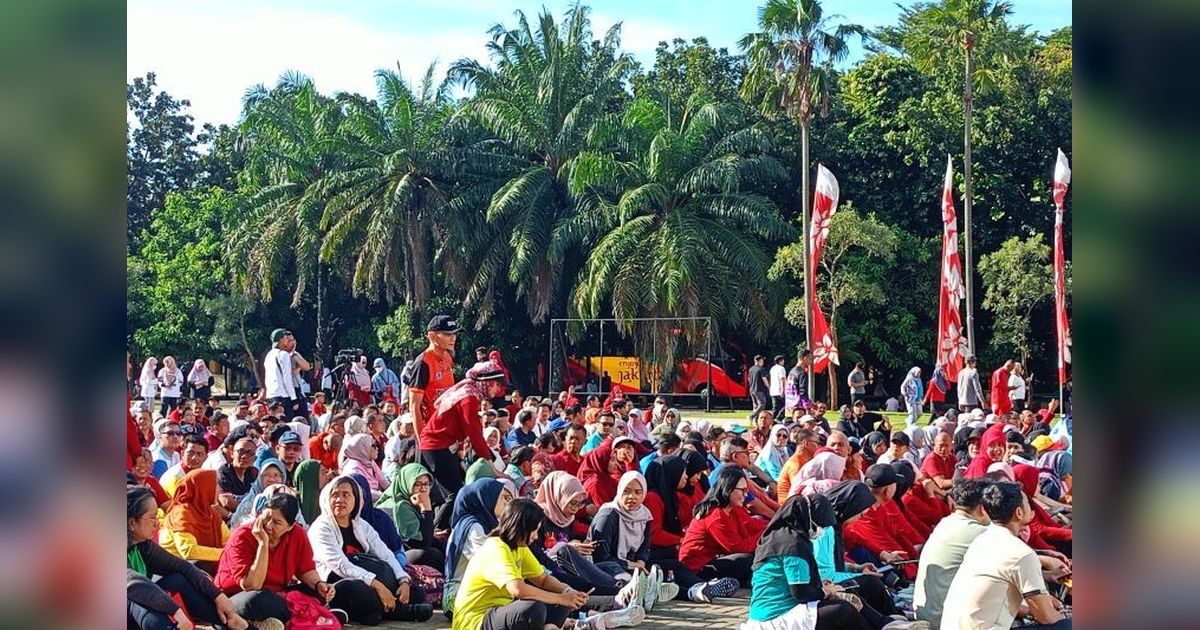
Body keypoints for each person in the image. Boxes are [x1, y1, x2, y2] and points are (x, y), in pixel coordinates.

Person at [453, 498, 643, 630]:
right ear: (520, 527)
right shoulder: (496, 547)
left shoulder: (519, 546)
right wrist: (561, 598)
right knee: (532, 608)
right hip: (475, 622)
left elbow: (543, 579)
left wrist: (567, 592)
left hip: (499, 611)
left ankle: (554, 626)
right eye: (534, 530)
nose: (536, 536)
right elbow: (518, 590)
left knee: (560, 597)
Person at [940, 482, 1070, 629]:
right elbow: (1046, 617)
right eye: (1027, 503)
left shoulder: (982, 540)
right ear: (1019, 512)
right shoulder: (1022, 554)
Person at [307, 474, 433, 624]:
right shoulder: (321, 527)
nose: (340, 500)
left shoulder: (360, 525)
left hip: (366, 578)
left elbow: (385, 554)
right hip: (337, 582)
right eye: (335, 495)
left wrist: (403, 580)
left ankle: (372, 612)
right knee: (353, 590)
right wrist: (378, 586)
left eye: (346, 494)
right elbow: (340, 565)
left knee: (416, 592)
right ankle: (399, 611)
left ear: (356, 500)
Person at [128, 486, 249, 630]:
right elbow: (133, 584)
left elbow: (181, 566)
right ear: (131, 523)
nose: (158, 522)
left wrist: (218, 596)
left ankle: (231, 622)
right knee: (143, 603)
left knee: (179, 578)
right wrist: (175, 610)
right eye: (153, 517)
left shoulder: (141, 544)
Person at [744, 493, 868, 630]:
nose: (821, 531)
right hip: (775, 617)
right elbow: (800, 593)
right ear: (808, 519)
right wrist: (826, 592)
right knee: (841, 610)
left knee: (848, 597)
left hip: (780, 611)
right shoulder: (792, 546)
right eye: (820, 525)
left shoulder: (781, 536)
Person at [214, 493, 337, 625]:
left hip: (277, 595)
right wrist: (263, 544)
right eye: (266, 518)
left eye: (277, 522)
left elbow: (305, 569)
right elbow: (252, 585)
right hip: (237, 596)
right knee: (259, 599)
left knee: (321, 592)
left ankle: (295, 618)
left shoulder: (297, 534)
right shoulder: (243, 535)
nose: (269, 526)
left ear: (290, 526)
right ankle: (312, 617)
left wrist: (318, 584)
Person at [419, 360, 509, 531]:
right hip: (435, 446)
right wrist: (490, 464)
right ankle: (437, 531)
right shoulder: (468, 398)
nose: (498, 390)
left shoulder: (467, 393)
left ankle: (441, 529)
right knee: (455, 494)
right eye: (497, 384)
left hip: (436, 446)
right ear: (486, 382)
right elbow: (474, 433)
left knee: (446, 494)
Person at [814, 480, 903, 627]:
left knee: (868, 581)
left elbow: (830, 562)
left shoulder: (835, 527)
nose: (859, 517)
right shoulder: (825, 530)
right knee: (857, 584)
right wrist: (858, 574)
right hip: (821, 586)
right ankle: (885, 623)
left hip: (826, 581)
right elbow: (825, 574)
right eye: (860, 514)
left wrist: (857, 568)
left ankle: (892, 618)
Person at [912, 479, 992, 627]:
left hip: (929, 614)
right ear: (982, 508)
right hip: (946, 620)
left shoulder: (946, 523)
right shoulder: (978, 532)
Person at [678, 466, 766, 589]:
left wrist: (773, 527)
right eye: (743, 491)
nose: (745, 495)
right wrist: (765, 535)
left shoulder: (733, 508)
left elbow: (751, 525)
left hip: (715, 558)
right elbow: (736, 547)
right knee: (746, 560)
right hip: (698, 567)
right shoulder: (715, 515)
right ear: (729, 490)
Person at [442, 479, 514, 616]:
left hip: (479, 593)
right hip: (459, 600)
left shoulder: (486, 523)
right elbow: (489, 563)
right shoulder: (473, 527)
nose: (506, 503)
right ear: (487, 499)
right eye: (502, 498)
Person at [159, 469, 231, 574]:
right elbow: (188, 551)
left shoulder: (209, 512)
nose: (219, 489)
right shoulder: (181, 513)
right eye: (215, 484)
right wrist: (225, 554)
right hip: (177, 570)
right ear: (203, 488)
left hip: (200, 567)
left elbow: (227, 540)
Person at [378, 462, 446, 570]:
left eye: (426, 484)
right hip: (393, 556)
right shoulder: (401, 506)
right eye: (417, 484)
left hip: (408, 547)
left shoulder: (412, 501)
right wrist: (426, 508)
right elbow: (421, 543)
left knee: (442, 542)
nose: (423, 489)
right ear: (407, 483)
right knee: (432, 554)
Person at [408, 315, 461, 441]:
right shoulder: (423, 363)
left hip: (448, 429)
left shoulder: (448, 358)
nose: (453, 338)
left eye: (454, 334)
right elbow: (414, 407)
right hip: (431, 433)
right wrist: (423, 441)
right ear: (432, 336)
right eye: (447, 334)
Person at [578, 435, 640, 507]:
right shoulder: (596, 484)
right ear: (602, 460)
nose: (616, 463)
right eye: (612, 460)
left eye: (630, 447)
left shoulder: (605, 477)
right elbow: (606, 509)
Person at [263, 329, 303, 420]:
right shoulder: (283, 354)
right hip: (283, 396)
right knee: (285, 423)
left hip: (271, 395)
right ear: (281, 340)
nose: (288, 339)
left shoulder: (269, 355)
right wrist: (294, 398)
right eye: (285, 337)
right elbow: (287, 378)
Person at [776, 429, 821, 502]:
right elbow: (799, 490)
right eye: (817, 443)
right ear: (807, 443)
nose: (819, 446)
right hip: (789, 508)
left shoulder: (804, 462)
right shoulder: (796, 464)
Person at [340, 433, 388, 501]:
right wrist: (385, 496)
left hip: (378, 497)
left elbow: (382, 480)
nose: (377, 448)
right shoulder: (354, 470)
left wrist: (392, 491)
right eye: (373, 446)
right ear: (363, 448)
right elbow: (363, 492)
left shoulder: (368, 461)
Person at [747, 355, 770, 423]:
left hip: (752, 389)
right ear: (758, 361)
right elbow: (764, 379)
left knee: (755, 405)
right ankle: (752, 416)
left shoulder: (751, 369)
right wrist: (768, 386)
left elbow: (749, 379)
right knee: (762, 403)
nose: (762, 362)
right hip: (759, 389)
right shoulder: (761, 369)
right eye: (762, 360)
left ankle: (755, 420)